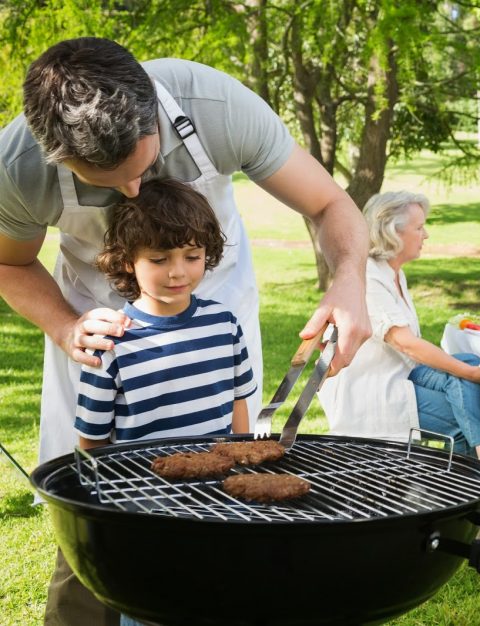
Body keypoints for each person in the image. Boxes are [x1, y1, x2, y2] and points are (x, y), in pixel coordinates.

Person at [0, 38, 370, 625]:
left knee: (223, 488)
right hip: (97, 324)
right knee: (92, 507)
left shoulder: (216, 106)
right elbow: (10, 261)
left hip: (218, 302)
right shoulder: (17, 165)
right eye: (103, 179)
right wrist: (66, 326)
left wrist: (349, 282)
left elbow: (330, 204)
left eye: (141, 169)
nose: (130, 193)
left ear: (151, 111)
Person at [319, 190, 480, 501]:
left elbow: (410, 352)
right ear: (393, 231)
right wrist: (474, 375)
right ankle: (476, 516)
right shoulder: (368, 275)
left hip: (402, 372)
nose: (427, 234)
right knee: (466, 418)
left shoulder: (394, 272)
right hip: (371, 387)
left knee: (465, 361)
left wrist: (467, 370)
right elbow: (406, 343)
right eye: (420, 227)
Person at [75, 180, 255, 449]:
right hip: (143, 490)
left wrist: (242, 461)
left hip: (217, 486)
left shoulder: (225, 326)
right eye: (159, 260)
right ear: (127, 260)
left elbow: (238, 402)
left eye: (192, 257)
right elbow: (92, 440)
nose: (178, 272)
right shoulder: (110, 345)